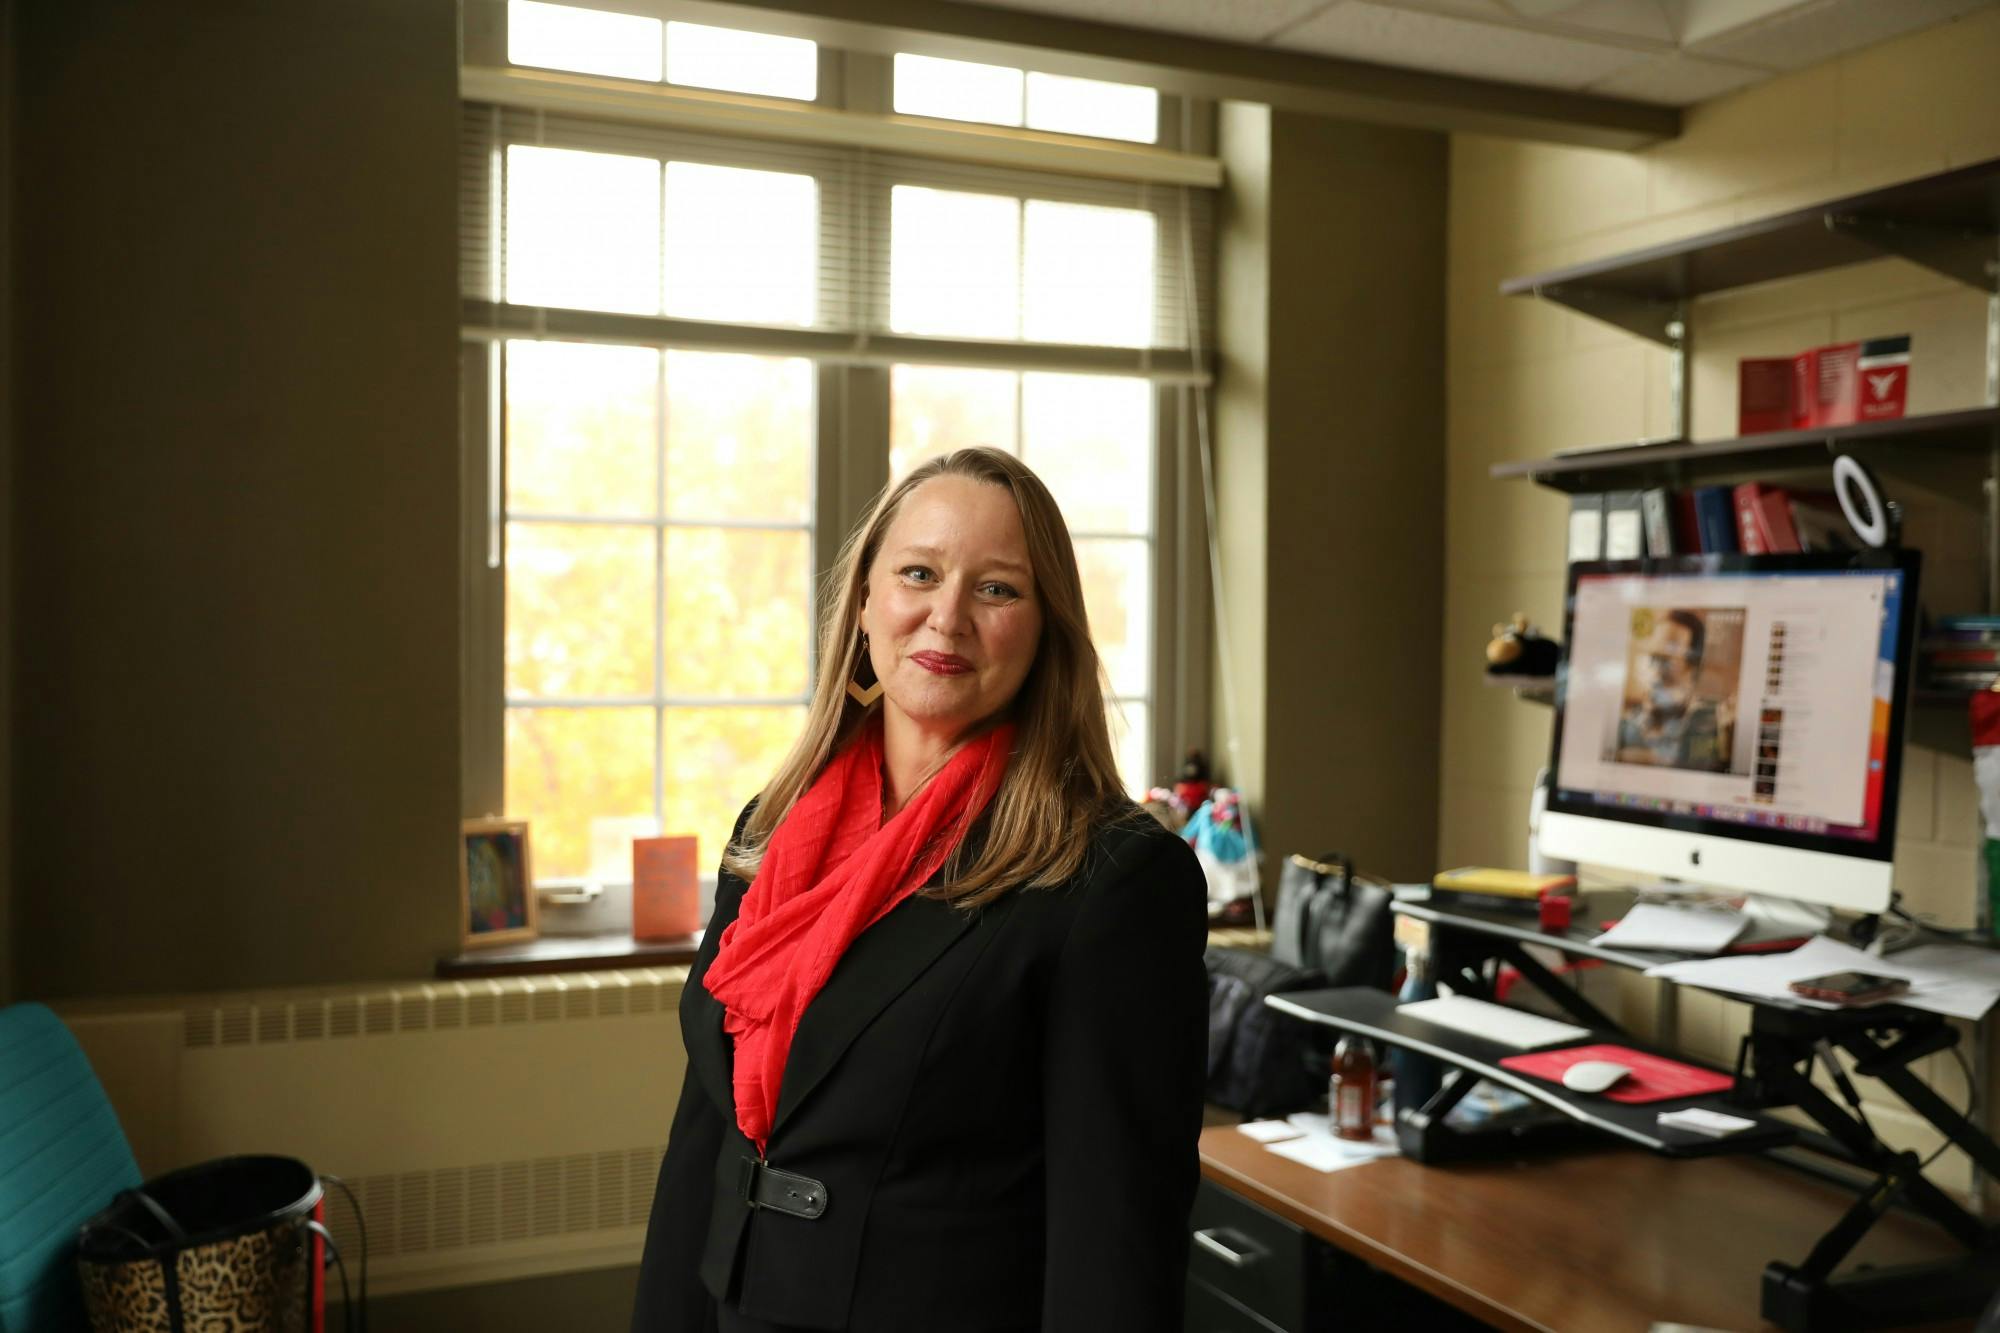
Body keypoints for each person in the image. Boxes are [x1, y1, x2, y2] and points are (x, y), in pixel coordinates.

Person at [630, 447, 1211, 1333]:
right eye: (919, 573)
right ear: (866, 600)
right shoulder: (771, 829)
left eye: (998, 589)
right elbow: (703, 1143)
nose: (947, 617)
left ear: (1046, 626)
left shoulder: (1114, 879)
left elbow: (1116, 1235)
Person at [1616, 609, 1730, 771]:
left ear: (1692, 668)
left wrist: (1649, 759)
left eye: (1667, 660)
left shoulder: (1707, 720)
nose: (1654, 671)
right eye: (1653, 656)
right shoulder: (1629, 720)